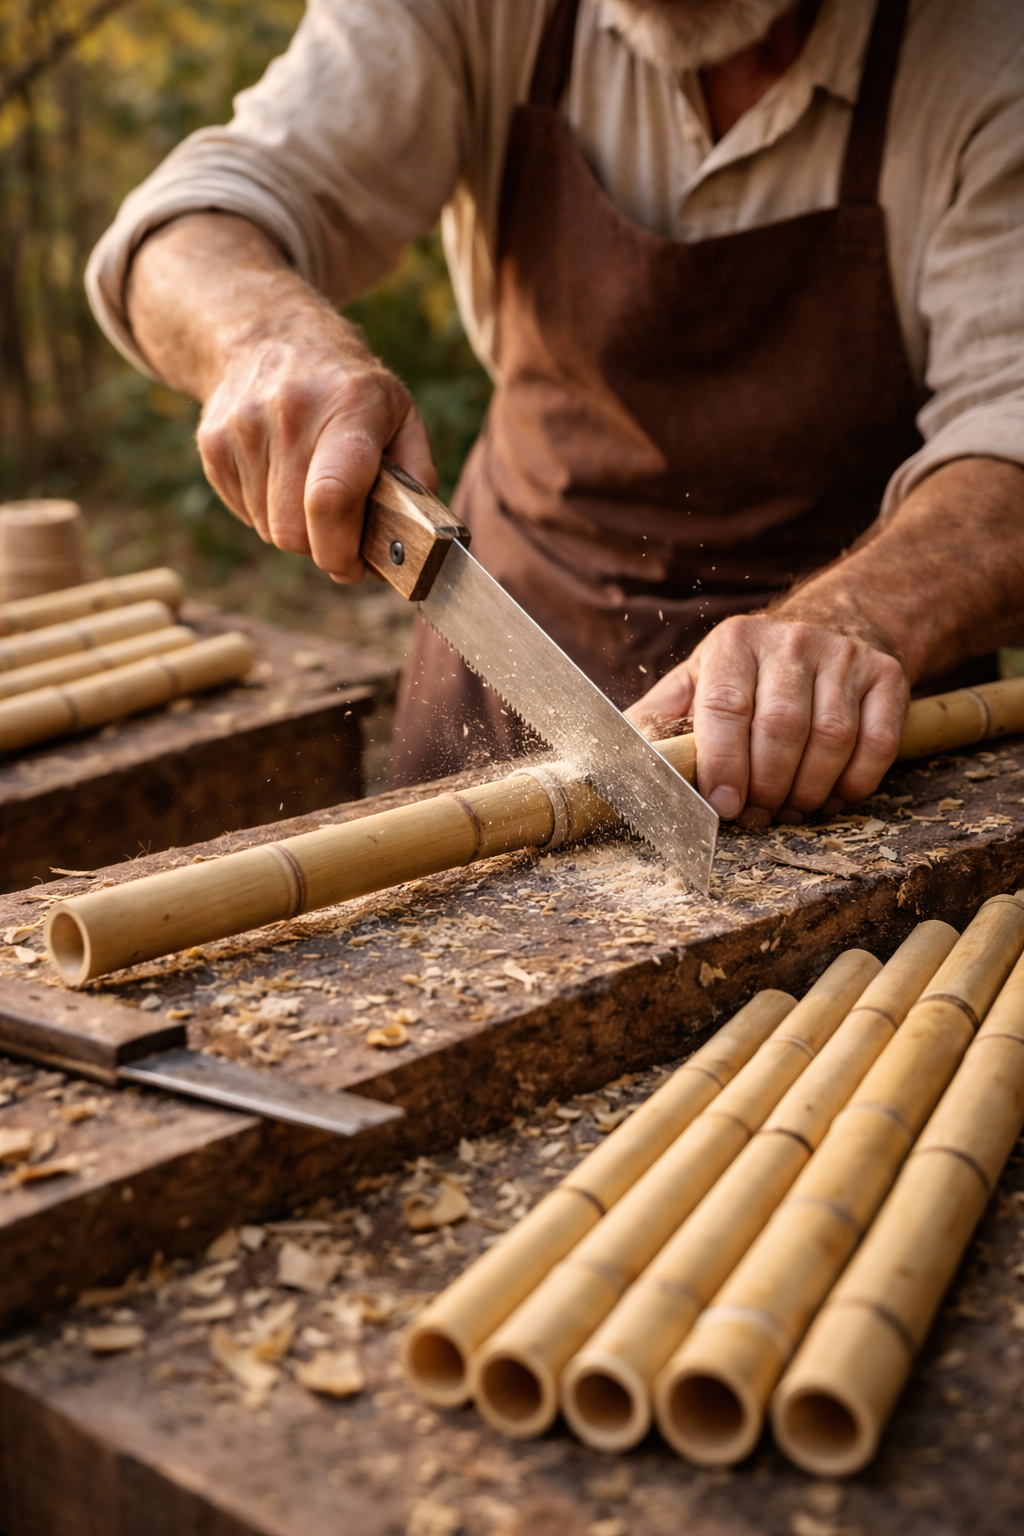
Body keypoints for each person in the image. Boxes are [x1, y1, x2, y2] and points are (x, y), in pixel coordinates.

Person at [87, 0, 1024, 827]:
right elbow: (187, 221)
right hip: (518, 650)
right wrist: (262, 335)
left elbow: (1010, 428)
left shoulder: (989, 49)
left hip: (839, 742)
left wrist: (860, 617)